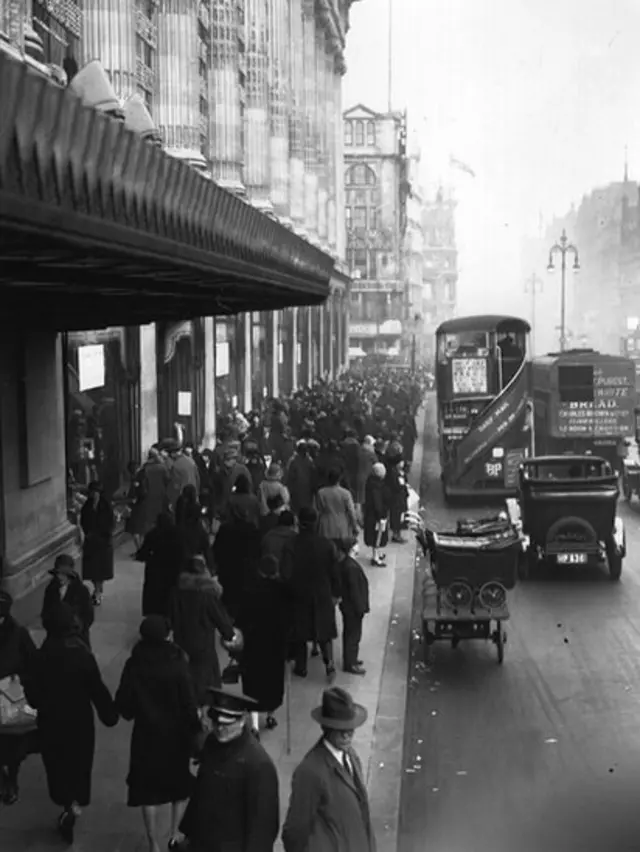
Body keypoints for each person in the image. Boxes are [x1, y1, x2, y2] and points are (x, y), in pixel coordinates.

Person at [27, 602, 119, 844]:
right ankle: (75, 800)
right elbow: (96, 688)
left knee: (57, 763)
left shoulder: (41, 656)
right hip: (79, 720)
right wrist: (109, 714)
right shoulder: (82, 655)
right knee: (79, 762)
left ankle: (66, 802)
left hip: (51, 721)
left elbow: (33, 696)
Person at [115, 615, 201, 852]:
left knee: (147, 789)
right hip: (175, 735)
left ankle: (153, 842)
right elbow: (189, 702)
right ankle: (174, 834)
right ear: (167, 635)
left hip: (145, 735)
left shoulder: (134, 664)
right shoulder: (177, 663)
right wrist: (196, 729)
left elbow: (124, 703)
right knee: (179, 786)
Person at [178, 688, 280, 851]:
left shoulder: (258, 764)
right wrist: (188, 833)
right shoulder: (212, 743)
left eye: (227, 724)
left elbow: (263, 827)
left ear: (242, 721)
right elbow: (202, 791)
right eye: (216, 723)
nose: (220, 729)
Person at [282, 686, 375, 852]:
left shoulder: (350, 756)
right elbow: (294, 832)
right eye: (341, 730)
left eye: (350, 729)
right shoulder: (310, 771)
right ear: (326, 728)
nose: (347, 735)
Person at [170, 555, 236, 702]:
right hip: (203, 644)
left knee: (185, 675)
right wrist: (229, 635)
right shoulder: (206, 597)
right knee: (205, 679)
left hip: (181, 641)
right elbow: (222, 621)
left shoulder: (176, 594)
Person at [285, 507, 340, 681]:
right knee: (325, 631)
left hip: (299, 594)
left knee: (300, 633)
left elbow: (285, 573)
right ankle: (329, 665)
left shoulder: (291, 544)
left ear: (298, 523)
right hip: (322, 593)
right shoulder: (327, 544)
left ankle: (301, 667)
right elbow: (335, 572)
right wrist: (336, 593)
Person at [237, 555, 291, 731]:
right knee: (273, 683)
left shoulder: (248, 590)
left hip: (253, 645)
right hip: (275, 645)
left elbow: (240, 618)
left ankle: (253, 725)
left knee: (253, 684)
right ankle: (270, 716)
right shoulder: (283, 591)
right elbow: (289, 620)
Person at [0, 590, 38, 805]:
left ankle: (11, 781)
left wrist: (18, 679)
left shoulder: (18, 634)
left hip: (10, 699)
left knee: (11, 748)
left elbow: (33, 664)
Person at [137, 512, 186, 618]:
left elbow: (142, 554)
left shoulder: (152, 534)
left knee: (154, 596)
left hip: (155, 570)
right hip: (174, 570)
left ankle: (154, 617)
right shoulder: (179, 534)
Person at [41, 553, 94, 648]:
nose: (60, 577)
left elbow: (88, 616)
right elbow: (46, 612)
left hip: (76, 640)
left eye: (64, 574)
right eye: (58, 574)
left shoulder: (82, 590)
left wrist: (77, 627)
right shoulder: (51, 589)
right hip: (55, 638)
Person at [337, 539, 370, 676]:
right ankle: (350, 663)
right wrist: (361, 607)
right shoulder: (351, 567)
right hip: (353, 608)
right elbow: (354, 590)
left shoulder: (347, 564)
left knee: (351, 634)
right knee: (353, 635)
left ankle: (351, 659)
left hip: (348, 606)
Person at [80, 480, 114, 606]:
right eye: (92, 492)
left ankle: (98, 592)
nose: (94, 494)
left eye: (96, 492)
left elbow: (110, 523)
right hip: (91, 542)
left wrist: (104, 535)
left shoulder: (106, 506)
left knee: (100, 570)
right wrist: (87, 533)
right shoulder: (87, 506)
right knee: (92, 570)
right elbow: (83, 520)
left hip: (103, 542)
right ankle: (97, 589)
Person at [315, 466, 360, 553]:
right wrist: (355, 526)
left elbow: (319, 508)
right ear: (339, 479)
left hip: (326, 524)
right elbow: (351, 512)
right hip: (342, 525)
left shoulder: (321, 492)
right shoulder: (345, 493)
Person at [363, 462, 390, 566]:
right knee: (377, 535)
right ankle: (375, 557)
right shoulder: (376, 486)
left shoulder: (371, 482)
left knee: (377, 535)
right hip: (376, 515)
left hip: (371, 513)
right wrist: (381, 515)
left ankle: (378, 553)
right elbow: (377, 502)